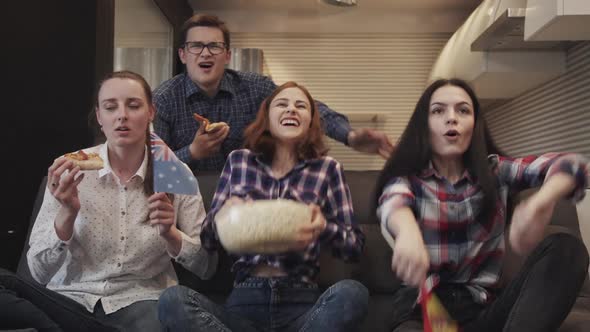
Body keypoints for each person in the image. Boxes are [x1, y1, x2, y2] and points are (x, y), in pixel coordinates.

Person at [0, 70, 217, 332]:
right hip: (69, 299)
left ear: (151, 113)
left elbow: (206, 267)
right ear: (100, 117)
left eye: (134, 105)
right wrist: (67, 214)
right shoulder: (70, 168)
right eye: (110, 107)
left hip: (141, 301)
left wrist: (171, 234)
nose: (122, 115)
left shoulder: (174, 172)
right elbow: (38, 272)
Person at [375, 78, 589, 332]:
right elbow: (393, 203)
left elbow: (574, 164)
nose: (451, 118)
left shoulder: (497, 170)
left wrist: (540, 202)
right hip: (420, 314)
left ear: (475, 124)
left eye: (463, 110)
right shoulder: (407, 178)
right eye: (438, 110)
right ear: (425, 124)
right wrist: (407, 232)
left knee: (567, 248)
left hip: (484, 313)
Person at [158, 81, 369, 331]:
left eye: (301, 106)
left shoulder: (327, 169)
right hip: (244, 301)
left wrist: (323, 227)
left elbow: (354, 247)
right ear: (267, 117)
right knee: (173, 300)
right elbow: (208, 240)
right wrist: (223, 216)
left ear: (311, 121)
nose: (291, 109)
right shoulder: (240, 161)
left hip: (302, 303)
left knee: (353, 293)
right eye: (282, 104)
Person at [153, 13, 395, 172]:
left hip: (248, 196)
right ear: (183, 54)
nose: (205, 54)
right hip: (187, 200)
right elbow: (152, 169)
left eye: (214, 46)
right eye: (196, 46)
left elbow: (307, 106)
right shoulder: (164, 99)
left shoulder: (254, 86)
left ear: (227, 55)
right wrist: (192, 153)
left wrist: (350, 136)